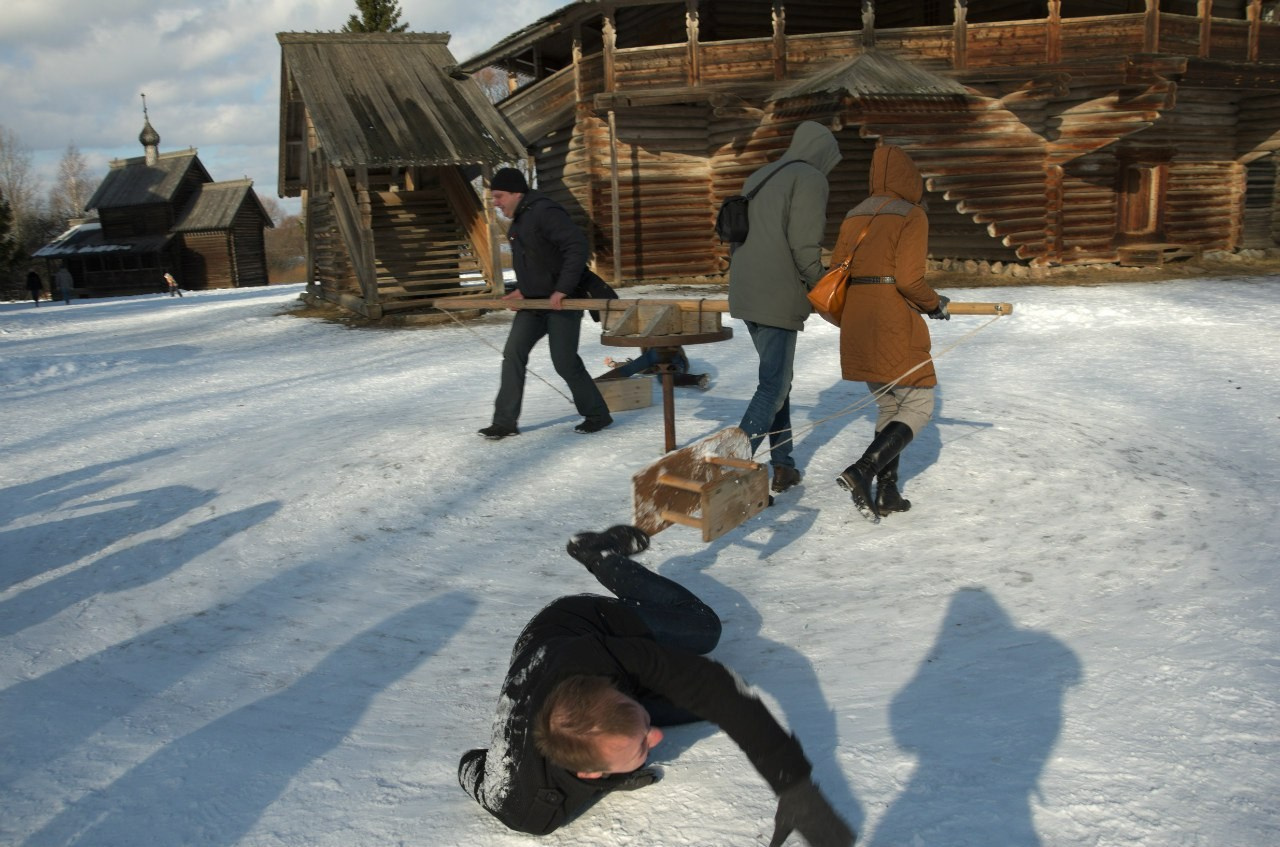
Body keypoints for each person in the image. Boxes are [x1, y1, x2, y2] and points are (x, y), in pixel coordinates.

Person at [458, 525, 854, 846]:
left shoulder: (605, 655)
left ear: (612, 691)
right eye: (643, 742)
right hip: (558, 683)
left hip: (578, 623)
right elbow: (469, 765)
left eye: (645, 726)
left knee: (704, 629)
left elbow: (717, 686)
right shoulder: (524, 806)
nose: (659, 737)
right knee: (695, 705)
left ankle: (601, 555)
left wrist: (794, 787)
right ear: (592, 773)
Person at [830, 145, 950, 522]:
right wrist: (934, 303)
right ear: (909, 179)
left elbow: (835, 269)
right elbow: (909, 279)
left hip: (857, 316)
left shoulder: (854, 215)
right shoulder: (911, 214)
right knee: (918, 404)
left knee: (889, 404)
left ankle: (888, 491)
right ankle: (862, 470)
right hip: (891, 317)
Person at [728, 121, 841, 495]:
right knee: (773, 386)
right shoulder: (809, 178)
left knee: (778, 383)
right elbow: (804, 246)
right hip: (776, 294)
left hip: (746, 290)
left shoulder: (761, 174)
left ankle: (784, 466)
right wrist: (824, 288)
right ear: (822, 152)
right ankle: (728, 470)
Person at [479, 167, 612, 439]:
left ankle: (598, 414)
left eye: (500, 196)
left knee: (563, 361)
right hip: (534, 304)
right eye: (494, 197)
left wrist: (562, 289)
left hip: (563, 303)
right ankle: (505, 422)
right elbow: (537, 264)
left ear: (517, 193)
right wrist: (523, 291)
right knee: (513, 354)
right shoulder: (518, 221)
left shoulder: (545, 211)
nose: (496, 202)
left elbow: (576, 247)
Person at [596, 346, 709, 390]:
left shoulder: (651, 352)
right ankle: (697, 379)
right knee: (664, 378)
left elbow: (635, 367)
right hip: (677, 363)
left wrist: (616, 365)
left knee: (664, 376)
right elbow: (639, 367)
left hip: (672, 357)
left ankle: (595, 383)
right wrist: (616, 364)